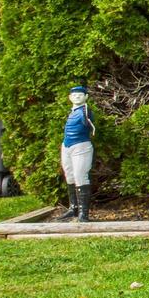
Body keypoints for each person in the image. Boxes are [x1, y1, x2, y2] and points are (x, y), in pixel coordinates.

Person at [61, 84, 96, 222]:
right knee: (69, 175)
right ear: (70, 97)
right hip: (67, 146)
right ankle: (73, 208)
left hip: (81, 146)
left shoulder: (85, 111)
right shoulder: (72, 112)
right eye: (74, 95)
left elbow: (89, 121)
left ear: (86, 97)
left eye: (80, 95)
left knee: (80, 176)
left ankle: (83, 214)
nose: (77, 97)